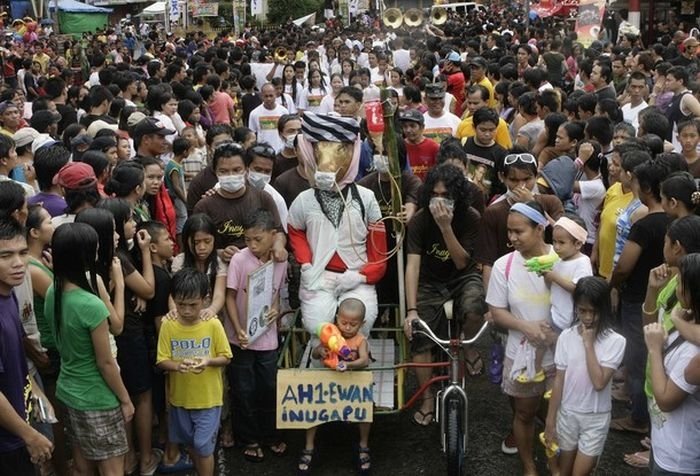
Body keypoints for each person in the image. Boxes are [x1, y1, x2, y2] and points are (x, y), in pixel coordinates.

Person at [44, 223, 133, 476]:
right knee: (112, 468)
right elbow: (105, 363)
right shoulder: (90, 304)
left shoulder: (53, 291)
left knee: (83, 465)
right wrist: (125, 400)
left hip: (69, 391)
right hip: (97, 396)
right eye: (94, 248)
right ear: (84, 255)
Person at [288, 113, 386, 336]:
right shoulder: (305, 200)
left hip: (356, 275)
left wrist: (363, 276)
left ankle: (357, 357)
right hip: (318, 276)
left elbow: (378, 249)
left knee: (363, 319)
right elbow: (295, 229)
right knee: (316, 324)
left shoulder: (366, 198)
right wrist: (305, 264)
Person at [404, 163, 485, 423]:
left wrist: (446, 228)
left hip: (463, 276)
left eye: (446, 196)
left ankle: (469, 348)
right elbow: (413, 265)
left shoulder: (470, 217)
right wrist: (411, 311)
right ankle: (427, 398)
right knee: (420, 335)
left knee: (475, 309)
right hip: (430, 281)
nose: (439, 202)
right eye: (435, 195)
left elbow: (463, 262)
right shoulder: (419, 221)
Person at [487, 201, 557, 476]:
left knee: (559, 417)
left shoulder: (562, 259)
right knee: (524, 413)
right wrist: (525, 326)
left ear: (540, 228)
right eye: (509, 231)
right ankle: (529, 466)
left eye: (519, 231)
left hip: (559, 355)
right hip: (522, 354)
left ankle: (556, 465)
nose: (512, 238)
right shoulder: (503, 266)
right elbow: (497, 312)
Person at [610, 159, 673, 435]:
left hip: (639, 297)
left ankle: (638, 417)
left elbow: (624, 265)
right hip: (669, 298)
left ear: (645, 187)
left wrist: (612, 284)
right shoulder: (674, 220)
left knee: (637, 357)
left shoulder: (645, 225)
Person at [544, 277, 626, 476]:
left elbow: (599, 382)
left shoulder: (616, 341)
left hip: (595, 418)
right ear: (576, 308)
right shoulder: (566, 336)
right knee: (564, 471)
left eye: (594, 311)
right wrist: (550, 419)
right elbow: (559, 379)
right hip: (568, 413)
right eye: (582, 310)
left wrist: (588, 345)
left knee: (579, 473)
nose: (588, 317)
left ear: (604, 309)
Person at [225, 209, 288, 462]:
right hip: (240, 337)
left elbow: (275, 294)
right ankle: (249, 438)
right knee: (243, 389)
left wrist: (275, 310)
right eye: (248, 239)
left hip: (267, 337)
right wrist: (238, 328)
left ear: (273, 236)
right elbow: (230, 297)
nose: (252, 245)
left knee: (269, 387)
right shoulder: (240, 260)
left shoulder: (280, 260)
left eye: (258, 239)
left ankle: (272, 435)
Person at [157, 268, 232, 476]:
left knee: (202, 445)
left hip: (208, 399)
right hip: (180, 399)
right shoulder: (168, 326)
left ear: (204, 299)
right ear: (173, 300)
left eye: (193, 305)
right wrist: (177, 366)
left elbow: (226, 356)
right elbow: (162, 359)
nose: (187, 311)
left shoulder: (213, 324)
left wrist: (208, 361)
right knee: (190, 442)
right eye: (181, 305)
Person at [0, 217, 53, 476]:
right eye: (6, 256)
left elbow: (15, 362)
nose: (18, 263)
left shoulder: (8, 295)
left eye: (22, 253)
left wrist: (37, 396)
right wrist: (29, 435)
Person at [298, 298, 372, 475]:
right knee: (312, 408)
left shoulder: (360, 340)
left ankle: (363, 444)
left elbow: (364, 360)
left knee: (365, 409)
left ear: (362, 324)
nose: (347, 327)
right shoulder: (332, 335)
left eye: (353, 324)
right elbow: (315, 353)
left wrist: (349, 365)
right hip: (327, 381)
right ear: (336, 318)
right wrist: (321, 351)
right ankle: (309, 446)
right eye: (343, 322)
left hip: (352, 382)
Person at [517, 216, 593, 383]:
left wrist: (554, 276)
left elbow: (580, 289)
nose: (556, 247)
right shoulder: (558, 260)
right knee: (542, 339)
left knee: (561, 349)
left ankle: (561, 381)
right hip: (556, 310)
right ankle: (536, 370)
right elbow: (551, 285)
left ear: (578, 244)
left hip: (570, 316)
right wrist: (546, 275)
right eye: (554, 241)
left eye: (562, 243)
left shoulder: (582, 262)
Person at [644, 253, 700, 475]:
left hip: (678, 458)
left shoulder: (693, 352)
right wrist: (652, 290)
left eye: (681, 281)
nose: (676, 284)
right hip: (664, 444)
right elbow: (650, 332)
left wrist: (656, 350)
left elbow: (666, 401)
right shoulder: (686, 318)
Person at [248, 84, 289, 153]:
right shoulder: (254, 113)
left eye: (271, 95)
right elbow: (252, 134)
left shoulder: (284, 112)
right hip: (263, 152)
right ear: (261, 96)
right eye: (266, 96)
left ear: (275, 95)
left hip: (281, 151)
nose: (268, 98)